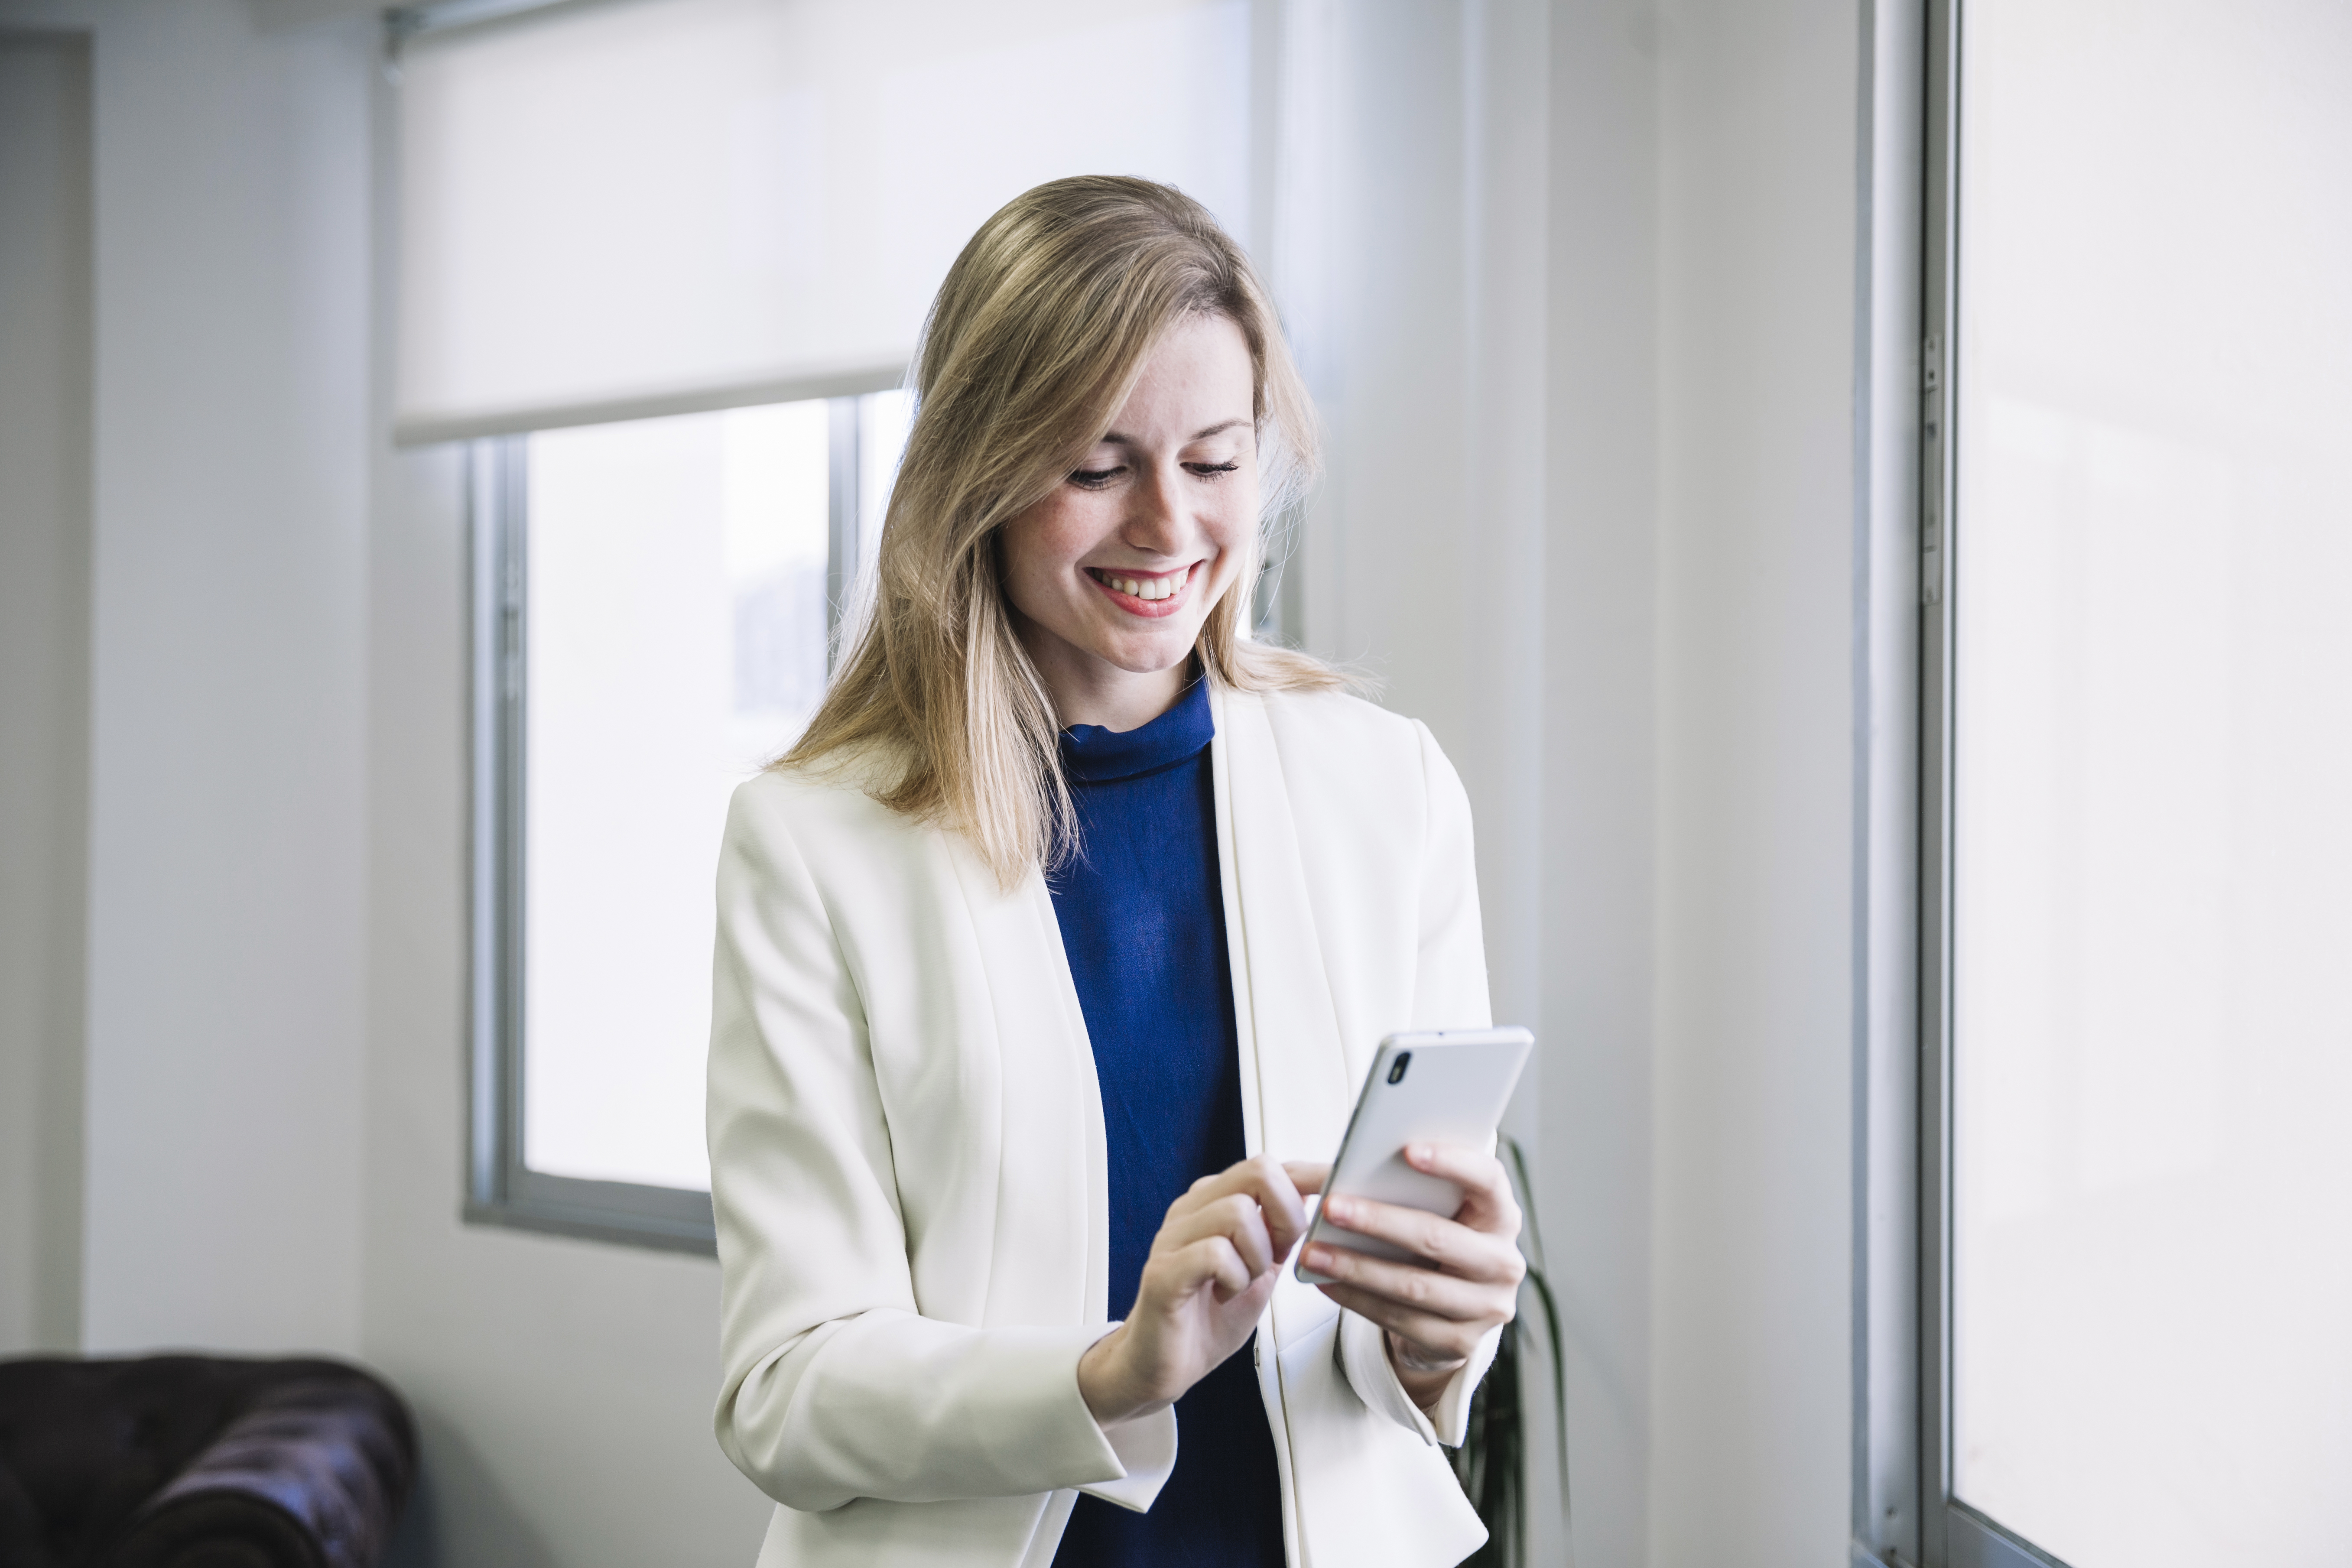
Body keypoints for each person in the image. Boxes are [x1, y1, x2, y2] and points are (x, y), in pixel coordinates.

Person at [707, 175, 1524, 1568]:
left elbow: (1401, 1362)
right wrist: (1110, 1371)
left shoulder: (1390, 790)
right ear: (976, 473)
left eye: (1212, 461)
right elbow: (785, 1387)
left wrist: (1445, 1333)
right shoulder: (814, 841)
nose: (1165, 526)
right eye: (1096, 466)